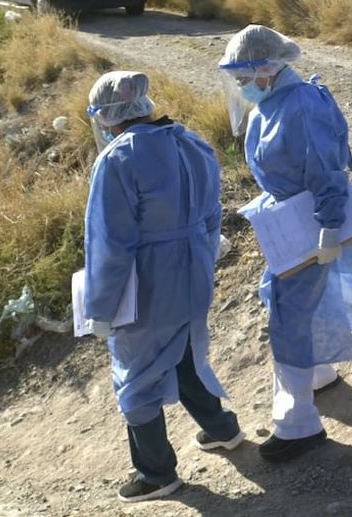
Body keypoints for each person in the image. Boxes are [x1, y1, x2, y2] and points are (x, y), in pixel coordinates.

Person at [219, 25, 352, 463]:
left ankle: (298, 424)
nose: (241, 86)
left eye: (244, 76)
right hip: (291, 223)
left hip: (310, 225)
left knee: (289, 316)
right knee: (294, 305)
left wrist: (329, 226)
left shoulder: (302, 106)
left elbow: (326, 169)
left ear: (268, 68)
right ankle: (319, 375)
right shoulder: (273, 103)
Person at [83, 71, 244, 503]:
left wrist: (99, 308)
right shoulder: (190, 142)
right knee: (185, 350)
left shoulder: (117, 160)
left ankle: (156, 474)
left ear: (106, 117)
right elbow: (213, 215)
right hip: (195, 267)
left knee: (134, 372)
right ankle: (222, 429)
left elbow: (110, 245)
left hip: (149, 278)